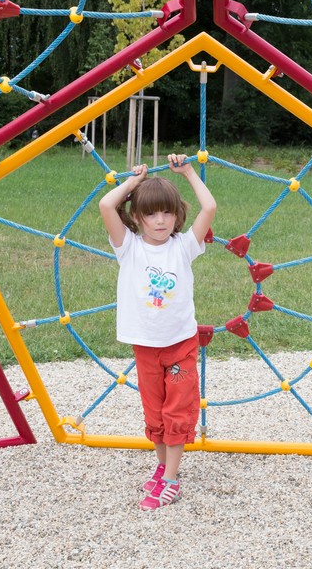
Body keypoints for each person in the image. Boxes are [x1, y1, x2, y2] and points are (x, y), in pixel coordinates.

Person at [99, 153, 216, 510]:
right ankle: (163, 464)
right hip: (146, 346)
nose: (160, 220)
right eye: (150, 213)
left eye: (167, 212)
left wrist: (189, 172)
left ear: (177, 215)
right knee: (155, 412)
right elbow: (107, 204)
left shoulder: (184, 246)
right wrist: (133, 183)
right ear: (137, 217)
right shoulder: (128, 247)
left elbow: (209, 207)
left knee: (177, 411)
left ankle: (170, 479)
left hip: (180, 345)